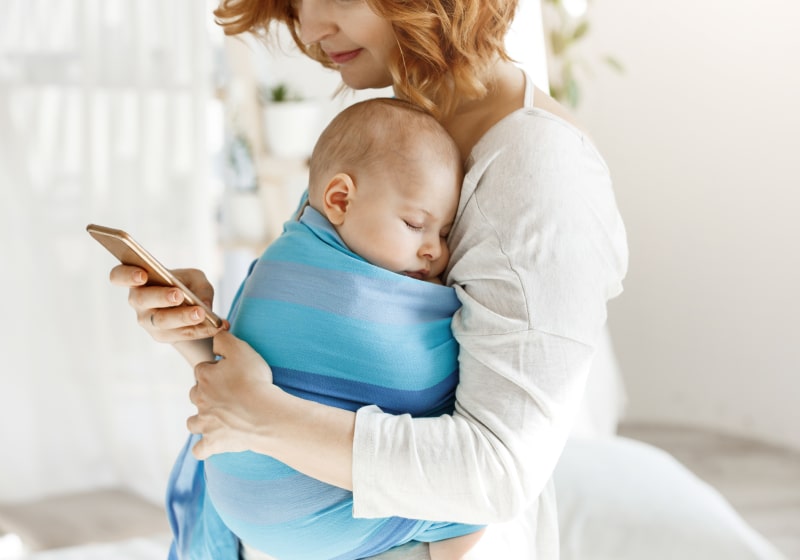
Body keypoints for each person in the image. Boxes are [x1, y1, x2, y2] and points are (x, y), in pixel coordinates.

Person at [112, 0, 628, 558]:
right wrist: (203, 339)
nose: (309, 29)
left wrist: (262, 417)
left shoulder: (538, 171)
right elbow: (327, 377)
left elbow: (497, 470)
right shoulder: (393, 133)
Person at [191, 97, 484, 560]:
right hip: (315, 517)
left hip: (238, 508)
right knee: (478, 496)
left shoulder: (279, 253)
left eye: (445, 233)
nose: (436, 252)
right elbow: (427, 384)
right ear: (340, 199)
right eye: (416, 224)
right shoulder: (349, 287)